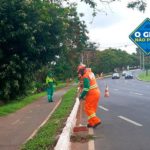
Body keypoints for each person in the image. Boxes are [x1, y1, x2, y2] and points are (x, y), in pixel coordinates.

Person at [77, 64, 101, 128]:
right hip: (97, 92)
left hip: (91, 94)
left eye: (79, 72)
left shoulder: (85, 76)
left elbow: (86, 88)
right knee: (92, 109)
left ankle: (96, 121)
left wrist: (81, 96)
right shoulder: (90, 73)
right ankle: (91, 123)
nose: (79, 73)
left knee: (88, 108)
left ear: (82, 71)